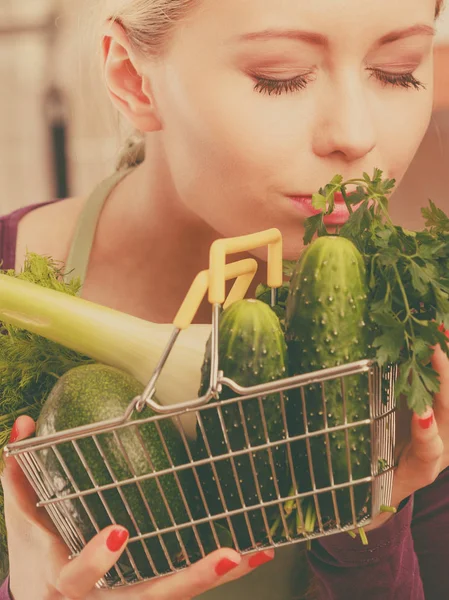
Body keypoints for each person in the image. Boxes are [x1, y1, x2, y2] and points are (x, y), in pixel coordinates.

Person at [0, 0, 448, 598]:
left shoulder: (421, 333)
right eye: (279, 77)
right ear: (133, 79)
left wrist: (369, 528)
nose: (355, 135)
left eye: (400, 69)